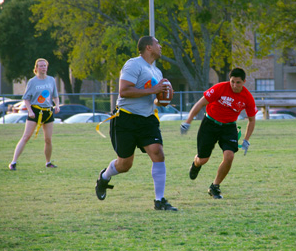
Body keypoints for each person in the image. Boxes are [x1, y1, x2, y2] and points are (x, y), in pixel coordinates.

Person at [95, 36, 177, 211]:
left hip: (147, 119)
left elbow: (153, 99)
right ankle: (104, 177)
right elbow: (124, 91)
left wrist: (163, 99)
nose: (160, 46)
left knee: (158, 153)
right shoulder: (133, 64)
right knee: (124, 164)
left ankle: (159, 200)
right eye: (157, 43)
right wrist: (153, 90)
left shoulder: (157, 72)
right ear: (148, 47)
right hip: (126, 118)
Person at [180, 68, 257, 199]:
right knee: (203, 159)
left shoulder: (247, 97)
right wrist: (188, 122)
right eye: (232, 81)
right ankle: (196, 163)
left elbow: (251, 119)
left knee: (229, 156)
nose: (234, 85)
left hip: (229, 127)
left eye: (238, 82)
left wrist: (246, 139)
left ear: (244, 82)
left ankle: (214, 186)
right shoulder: (220, 88)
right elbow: (200, 103)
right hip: (209, 124)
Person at [8, 58, 60, 170]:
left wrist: (57, 105)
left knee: (48, 139)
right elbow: (26, 99)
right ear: (36, 68)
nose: (43, 68)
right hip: (35, 112)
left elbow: (55, 96)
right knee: (26, 137)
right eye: (40, 66)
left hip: (48, 112)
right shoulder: (32, 82)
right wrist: (30, 111)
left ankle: (48, 162)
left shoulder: (51, 80)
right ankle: (13, 162)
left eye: (45, 65)